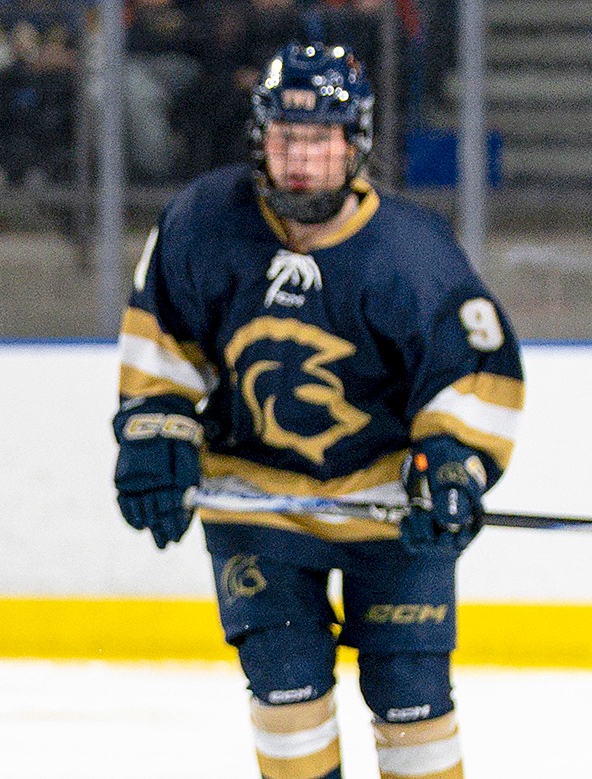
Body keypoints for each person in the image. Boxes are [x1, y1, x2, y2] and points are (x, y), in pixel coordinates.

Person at [113, 42, 521, 779]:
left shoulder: (410, 252)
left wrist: (454, 460)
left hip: (387, 502)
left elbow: (472, 370)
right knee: (286, 692)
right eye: (285, 137)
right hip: (256, 499)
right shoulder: (205, 223)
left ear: (355, 144)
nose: (301, 158)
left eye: (321, 140)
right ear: (260, 140)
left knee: (411, 701)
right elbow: (162, 342)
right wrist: (155, 431)